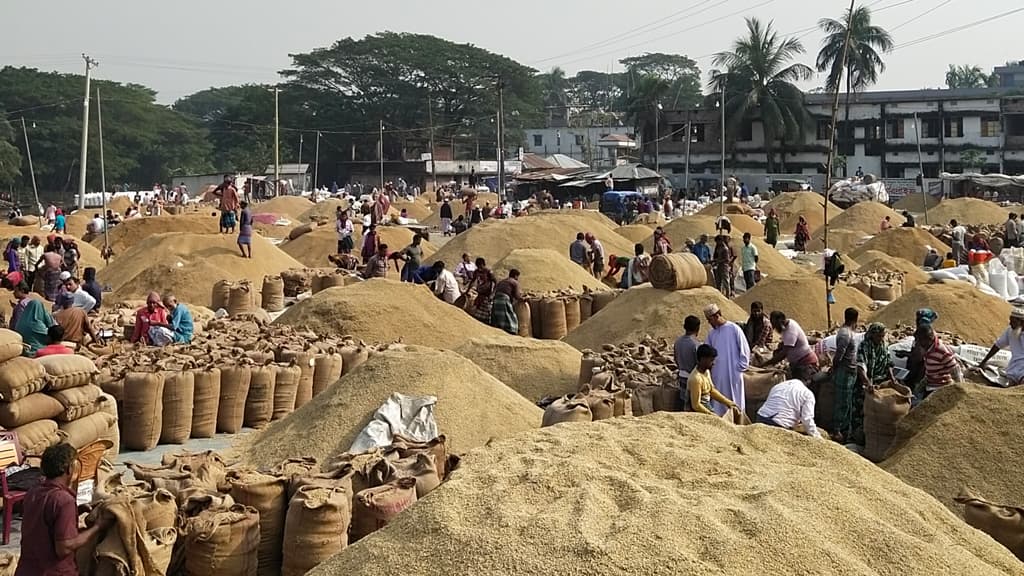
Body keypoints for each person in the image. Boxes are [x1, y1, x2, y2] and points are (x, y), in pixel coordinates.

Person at [15, 443, 113, 575]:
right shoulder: (63, 500)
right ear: (69, 469)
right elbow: (64, 548)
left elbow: (45, 520)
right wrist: (97, 527)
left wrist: (76, 511)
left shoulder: (33, 492)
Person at [703, 304, 750, 416]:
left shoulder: (734, 329)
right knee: (718, 402)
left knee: (735, 400)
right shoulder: (712, 334)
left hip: (733, 374)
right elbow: (706, 351)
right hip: (717, 375)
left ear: (717, 315)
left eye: (710, 320)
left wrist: (738, 369)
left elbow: (745, 350)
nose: (709, 323)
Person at [832, 307, 862, 443]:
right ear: (855, 319)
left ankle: (846, 430)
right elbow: (839, 355)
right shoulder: (845, 334)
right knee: (842, 402)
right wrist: (834, 368)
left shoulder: (849, 332)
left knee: (848, 402)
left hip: (850, 372)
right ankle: (837, 430)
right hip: (844, 372)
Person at [763, 311, 819, 383]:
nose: (775, 328)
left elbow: (783, 354)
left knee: (801, 388)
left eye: (775, 325)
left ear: (780, 321)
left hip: (806, 365)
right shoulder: (789, 323)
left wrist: (767, 363)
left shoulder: (790, 331)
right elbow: (785, 344)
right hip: (798, 364)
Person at [756, 379, 822, 439]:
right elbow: (807, 419)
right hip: (778, 424)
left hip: (760, 417)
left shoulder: (778, 386)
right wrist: (816, 436)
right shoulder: (807, 394)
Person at [977, 308, 1024, 386]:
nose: (1010, 324)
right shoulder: (1010, 331)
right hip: (1013, 369)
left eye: (1013, 321)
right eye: (1010, 320)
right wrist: (983, 362)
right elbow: (997, 346)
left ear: (1022, 322)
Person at [688, 345, 738, 416]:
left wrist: (728, 402)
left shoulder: (706, 372)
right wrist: (711, 415)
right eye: (711, 360)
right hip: (696, 414)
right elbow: (696, 405)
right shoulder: (696, 379)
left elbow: (711, 391)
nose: (713, 363)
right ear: (703, 359)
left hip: (706, 408)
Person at [916, 323, 959, 398]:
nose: (919, 343)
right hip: (930, 385)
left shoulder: (942, 351)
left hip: (940, 388)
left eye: (920, 340)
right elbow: (931, 371)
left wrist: (960, 389)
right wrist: (921, 385)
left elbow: (955, 369)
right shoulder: (927, 349)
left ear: (929, 339)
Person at [857, 322, 897, 391]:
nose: (881, 338)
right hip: (868, 380)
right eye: (878, 336)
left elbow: (889, 362)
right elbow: (860, 366)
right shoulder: (864, 346)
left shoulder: (884, 346)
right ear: (872, 334)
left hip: (882, 380)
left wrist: (892, 377)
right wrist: (868, 383)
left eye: (882, 336)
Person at [674, 315, 701, 407]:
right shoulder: (696, 345)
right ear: (698, 328)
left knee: (684, 403)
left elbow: (676, 359)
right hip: (693, 379)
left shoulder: (677, 342)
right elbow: (699, 364)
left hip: (681, 377)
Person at [491, 269, 522, 335]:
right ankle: (511, 330)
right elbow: (517, 296)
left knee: (499, 316)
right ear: (516, 276)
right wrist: (523, 299)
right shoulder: (514, 282)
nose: (518, 278)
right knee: (511, 316)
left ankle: (498, 328)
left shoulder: (502, 281)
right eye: (517, 277)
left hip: (496, 299)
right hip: (504, 299)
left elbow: (495, 290)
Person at [467, 258, 496, 324]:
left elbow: (495, 282)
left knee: (487, 314)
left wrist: (492, 294)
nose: (479, 268)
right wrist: (467, 290)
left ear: (483, 264)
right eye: (478, 266)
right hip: (480, 293)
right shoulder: (476, 272)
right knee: (476, 312)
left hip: (487, 295)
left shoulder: (488, 272)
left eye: (480, 266)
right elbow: (472, 281)